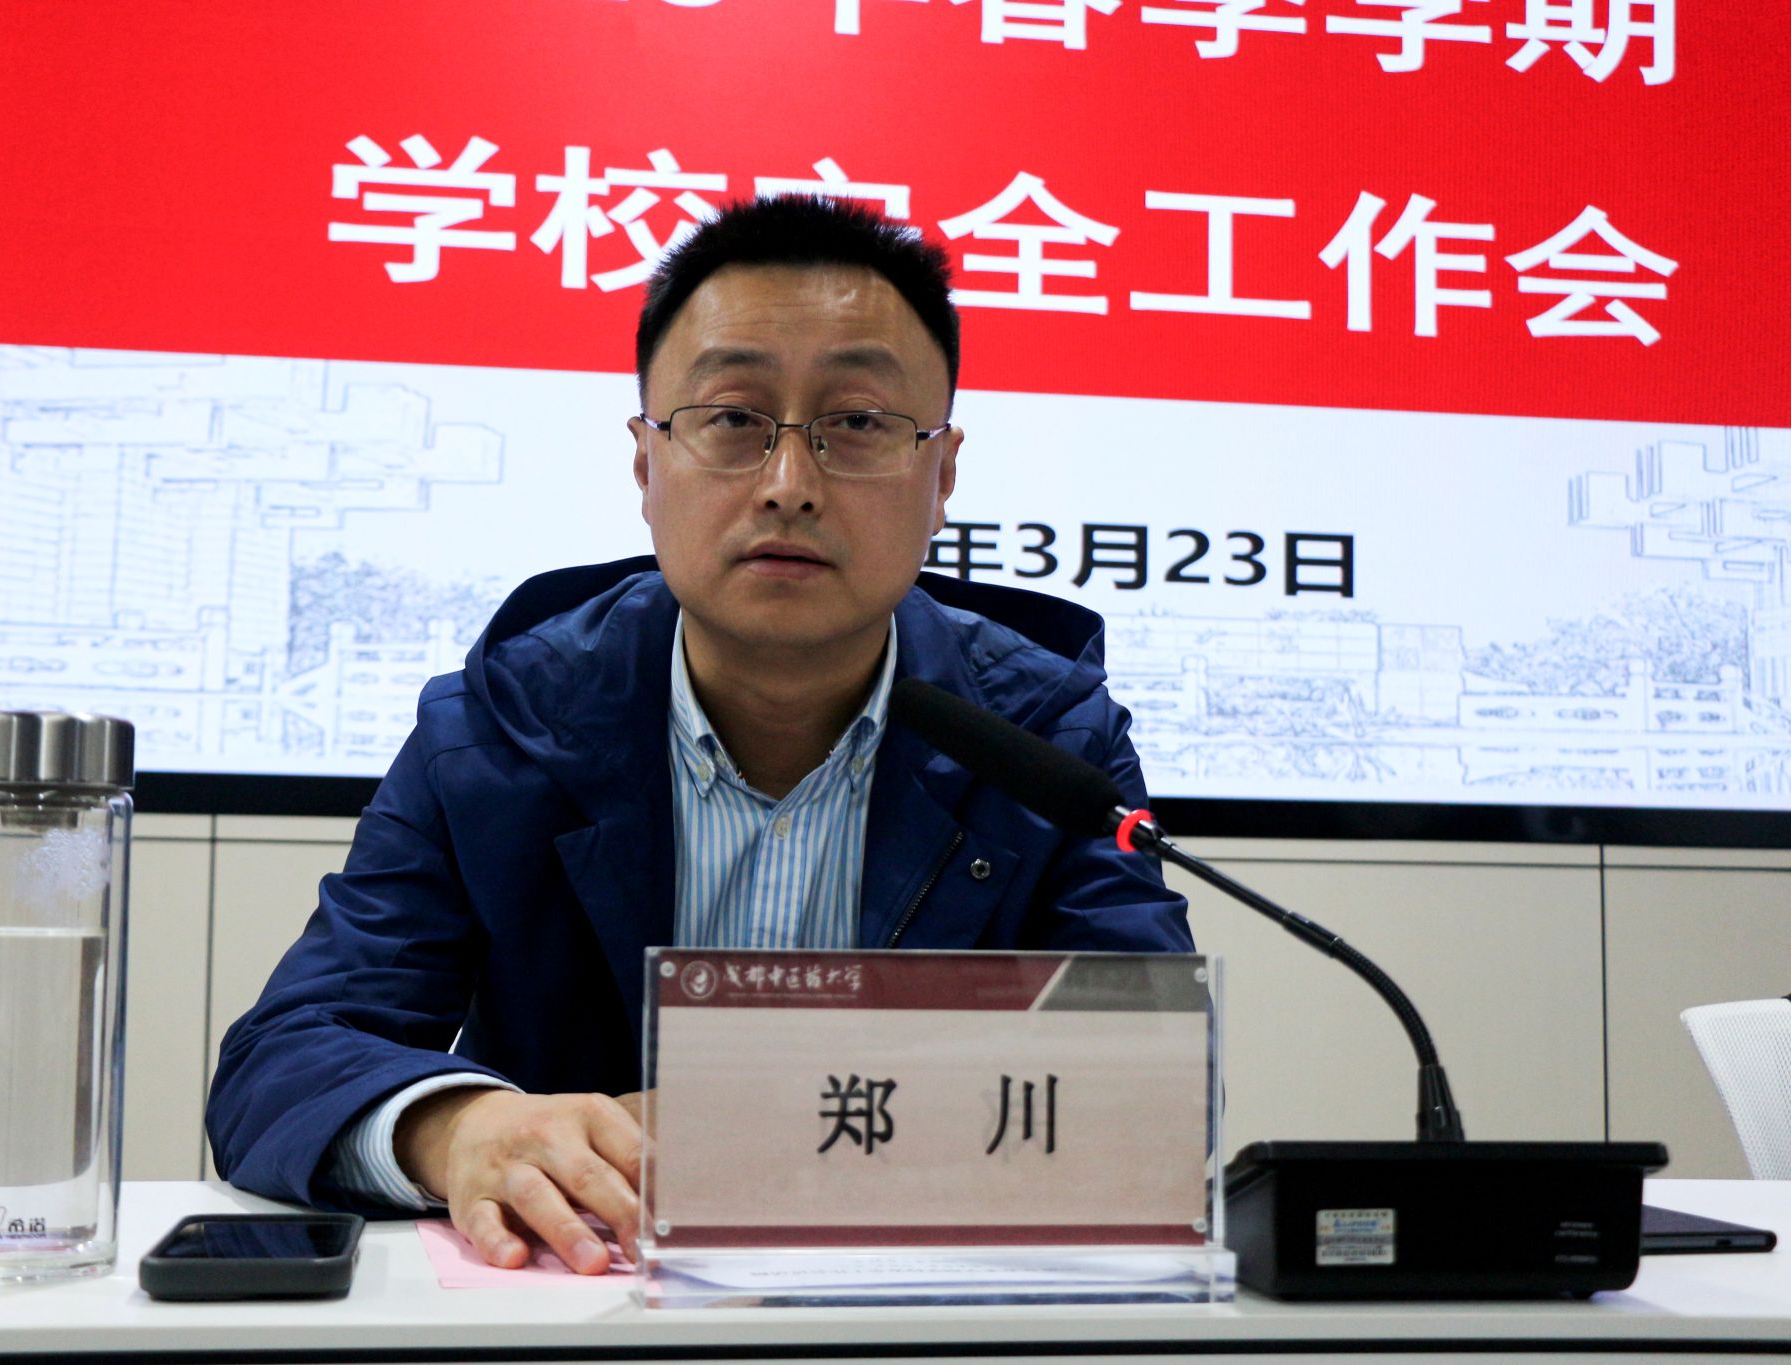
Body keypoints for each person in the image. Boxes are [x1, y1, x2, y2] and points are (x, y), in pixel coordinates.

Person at [207, 195, 1191, 1276]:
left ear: (942, 475)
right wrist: (458, 1129)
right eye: (731, 419)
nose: (788, 486)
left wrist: (753, 1129)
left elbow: (1150, 1089)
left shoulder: (1046, 740)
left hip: (922, 1322)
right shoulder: (496, 731)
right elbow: (280, 1062)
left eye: (858, 423)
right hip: (579, 1320)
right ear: (646, 463)